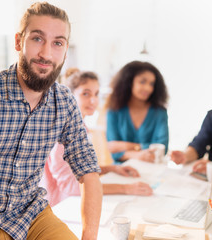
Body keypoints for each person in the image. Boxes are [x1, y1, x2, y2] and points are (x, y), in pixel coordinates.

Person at [0, 2, 102, 240]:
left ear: (65, 51)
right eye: (37, 39)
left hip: (31, 216)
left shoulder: (64, 101)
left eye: (57, 43)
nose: (46, 53)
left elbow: (89, 172)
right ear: (18, 42)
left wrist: (89, 237)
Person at [42, 69, 153, 207]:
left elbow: (78, 169)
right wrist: (126, 188)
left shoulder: (80, 125)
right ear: (69, 95)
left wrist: (111, 169)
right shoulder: (62, 130)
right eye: (86, 94)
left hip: (71, 202)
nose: (93, 100)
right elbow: (70, 186)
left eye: (96, 94)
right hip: (59, 207)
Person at [106, 61, 169, 164]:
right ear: (129, 82)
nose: (148, 88)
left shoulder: (159, 112)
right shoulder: (114, 110)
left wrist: (125, 147)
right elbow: (112, 149)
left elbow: (162, 148)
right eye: (142, 82)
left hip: (152, 168)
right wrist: (139, 153)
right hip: (121, 169)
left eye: (152, 84)